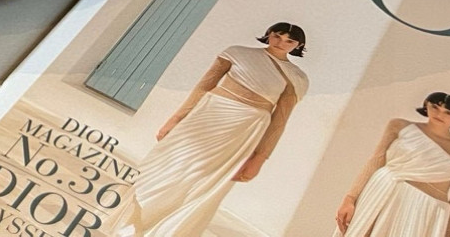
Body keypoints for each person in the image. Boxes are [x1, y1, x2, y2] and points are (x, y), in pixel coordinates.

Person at [108, 22, 310, 237]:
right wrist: (176, 119)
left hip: (242, 131)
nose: (281, 43)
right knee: (171, 166)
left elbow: (280, 121)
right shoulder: (237, 53)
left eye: (289, 41)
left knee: (201, 184)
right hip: (206, 116)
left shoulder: (296, 77)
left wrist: (260, 158)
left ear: (298, 46)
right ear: (269, 34)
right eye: (278, 36)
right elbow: (203, 86)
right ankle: (131, 224)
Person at [333, 93, 450, 237]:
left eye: (448, 112)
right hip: (381, 194)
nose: (439, 114)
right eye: (435, 107)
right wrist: (350, 198)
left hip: (422, 212)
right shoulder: (399, 126)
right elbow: (375, 161)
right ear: (426, 105)